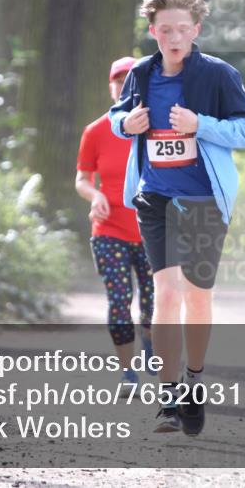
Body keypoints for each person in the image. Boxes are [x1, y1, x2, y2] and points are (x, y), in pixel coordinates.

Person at [109, 0, 245, 435]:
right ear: (152, 31)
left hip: (202, 202)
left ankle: (195, 379)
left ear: (196, 30)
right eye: (165, 29)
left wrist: (202, 126)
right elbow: (117, 117)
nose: (174, 37)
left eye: (182, 29)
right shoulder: (140, 73)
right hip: (155, 198)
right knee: (166, 294)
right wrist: (126, 123)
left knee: (197, 295)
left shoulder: (218, 75)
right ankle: (168, 395)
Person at [76, 56, 155, 385]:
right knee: (119, 298)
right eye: (118, 81)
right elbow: (82, 179)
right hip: (109, 230)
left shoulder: (159, 127)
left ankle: (151, 343)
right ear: (111, 87)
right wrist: (96, 197)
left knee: (153, 303)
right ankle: (127, 370)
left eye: (130, 81)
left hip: (152, 230)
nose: (124, 86)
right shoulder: (96, 131)